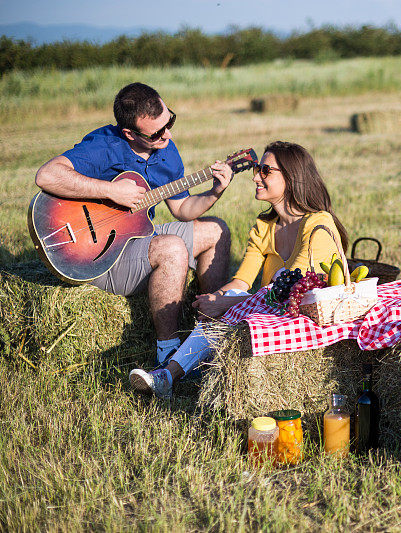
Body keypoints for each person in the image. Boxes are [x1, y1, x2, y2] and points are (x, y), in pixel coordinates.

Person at [129, 141, 348, 399]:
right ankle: (170, 374)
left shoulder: (317, 224)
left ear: (291, 178)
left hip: (310, 317)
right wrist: (212, 299)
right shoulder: (265, 227)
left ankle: (171, 373)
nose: (255, 176)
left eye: (266, 171)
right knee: (228, 298)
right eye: (257, 168)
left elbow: (291, 291)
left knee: (233, 301)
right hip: (276, 311)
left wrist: (225, 304)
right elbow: (242, 281)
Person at [34, 82, 232, 366]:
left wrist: (215, 192)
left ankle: (211, 332)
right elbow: (47, 176)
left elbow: (182, 209)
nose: (168, 135)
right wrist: (109, 190)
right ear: (129, 133)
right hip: (96, 255)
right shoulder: (105, 145)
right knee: (172, 248)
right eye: (157, 133)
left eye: (170, 122)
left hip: (136, 236)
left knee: (217, 230)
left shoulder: (166, 149)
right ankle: (169, 353)